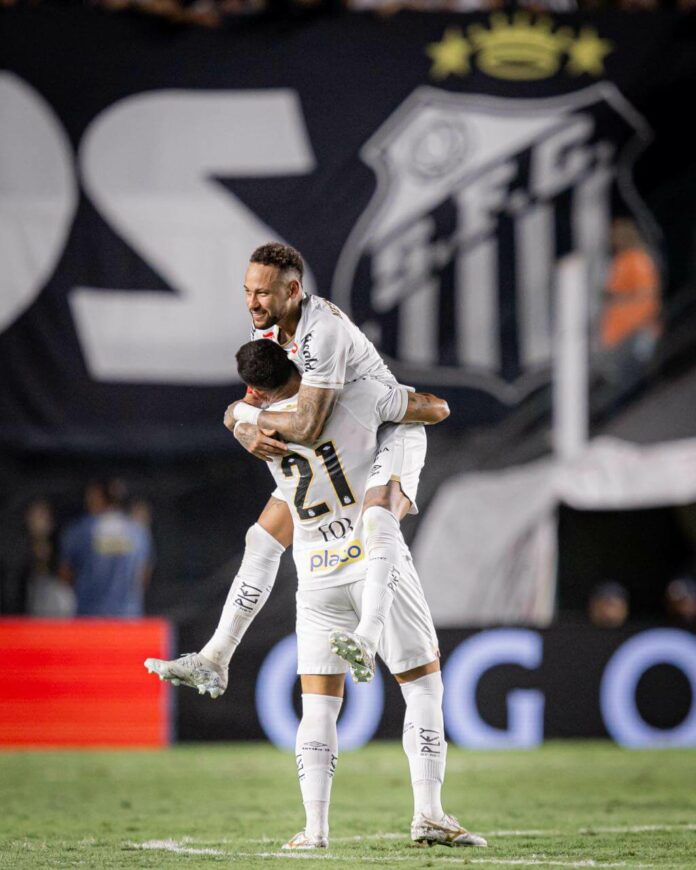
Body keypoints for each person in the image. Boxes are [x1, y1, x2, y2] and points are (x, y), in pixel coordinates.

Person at [146, 340, 487, 850]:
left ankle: (315, 829)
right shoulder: (357, 395)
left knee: (319, 706)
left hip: (316, 574)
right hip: (372, 563)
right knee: (422, 688)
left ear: (255, 390)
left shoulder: (257, 421)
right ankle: (429, 813)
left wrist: (241, 418)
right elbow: (435, 408)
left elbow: (236, 412)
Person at [228, 242, 429, 680]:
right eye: (247, 291)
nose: (252, 303)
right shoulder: (266, 330)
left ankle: (368, 636)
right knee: (261, 539)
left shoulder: (322, 331)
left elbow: (306, 426)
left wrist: (246, 419)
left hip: (386, 426)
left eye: (262, 293)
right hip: (341, 439)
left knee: (378, 520)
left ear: (292, 290)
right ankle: (216, 657)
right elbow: (253, 401)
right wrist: (240, 422)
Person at [59, 479, 154, 616]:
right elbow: (143, 576)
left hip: (89, 616)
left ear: (96, 496)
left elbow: (65, 573)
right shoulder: (138, 532)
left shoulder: (79, 531)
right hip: (128, 617)